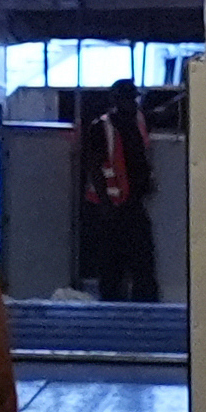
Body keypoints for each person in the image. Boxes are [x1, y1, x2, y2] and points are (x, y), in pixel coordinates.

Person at [78, 78, 160, 302]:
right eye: (127, 99)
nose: (132, 104)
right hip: (111, 208)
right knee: (112, 265)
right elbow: (94, 167)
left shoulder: (138, 122)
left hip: (132, 203)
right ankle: (114, 306)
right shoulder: (101, 127)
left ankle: (144, 306)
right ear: (116, 101)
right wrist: (105, 204)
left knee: (142, 262)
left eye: (134, 99)